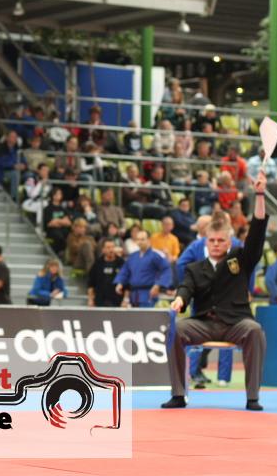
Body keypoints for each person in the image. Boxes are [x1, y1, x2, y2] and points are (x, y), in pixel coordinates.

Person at [163, 171, 269, 411]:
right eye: (212, 241)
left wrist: (260, 195)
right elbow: (186, 287)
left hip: (236, 323)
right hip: (204, 323)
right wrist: (179, 299)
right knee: (176, 330)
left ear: (229, 242)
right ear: (206, 241)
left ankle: (253, 397)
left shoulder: (241, 260)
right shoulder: (195, 268)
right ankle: (178, 394)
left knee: (255, 331)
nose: (216, 244)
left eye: (221, 241)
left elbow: (256, 233)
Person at [114, 229, 172, 308]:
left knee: (147, 315)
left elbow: (166, 270)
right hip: (134, 295)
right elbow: (125, 271)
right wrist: (120, 283)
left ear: (149, 240)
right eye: (138, 239)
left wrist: (158, 285)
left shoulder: (156, 255)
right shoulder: (132, 256)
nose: (140, 242)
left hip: (149, 293)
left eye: (142, 239)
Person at [88, 239, 125, 307]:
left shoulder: (121, 263)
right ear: (103, 250)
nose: (111, 250)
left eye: (112, 247)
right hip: (100, 301)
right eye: (108, 247)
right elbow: (91, 284)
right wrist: (90, 299)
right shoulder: (97, 263)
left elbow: (127, 284)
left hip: (117, 301)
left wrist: (125, 299)